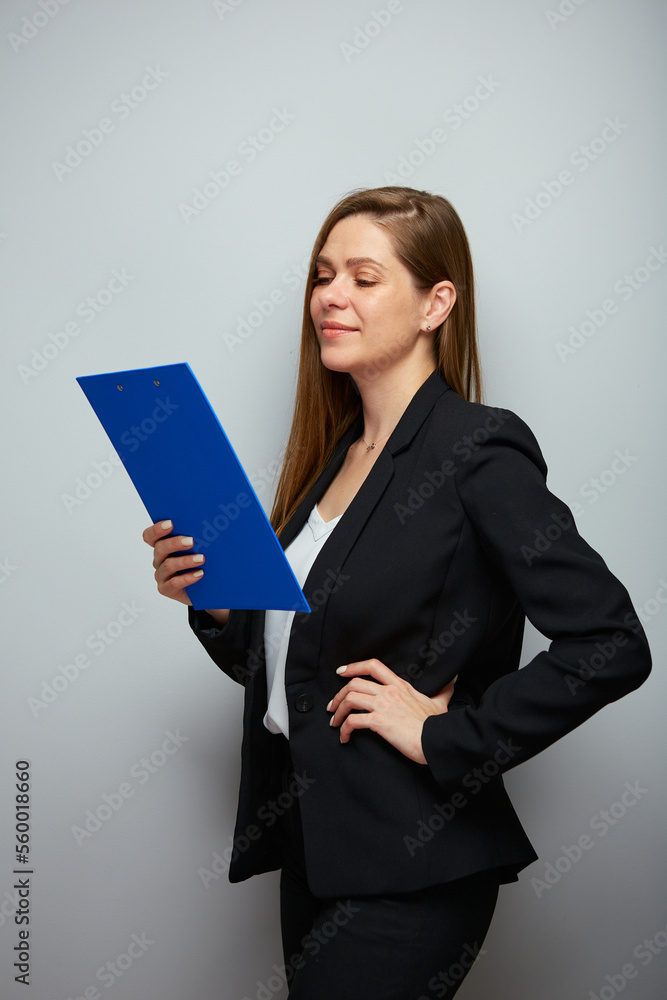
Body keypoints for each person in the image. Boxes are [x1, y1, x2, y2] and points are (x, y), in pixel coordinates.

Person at [143, 186, 651, 998]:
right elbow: (300, 676)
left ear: (434, 304)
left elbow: (612, 642)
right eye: (322, 275)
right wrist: (218, 608)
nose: (330, 296)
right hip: (313, 850)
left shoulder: (477, 448)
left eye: (363, 277)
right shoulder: (332, 459)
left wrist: (448, 734)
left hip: (413, 861)